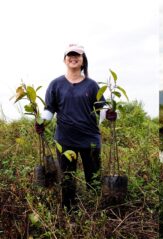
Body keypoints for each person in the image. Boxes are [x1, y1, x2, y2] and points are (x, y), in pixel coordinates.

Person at [38, 44, 106, 212]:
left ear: (83, 61)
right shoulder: (56, 84)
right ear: (65, 59)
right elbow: (49, 109)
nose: (73, 58)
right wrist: (41, 122)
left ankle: (95, 211)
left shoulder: (92, 85)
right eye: (70, 55)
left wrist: (109, 113)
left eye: (78, 55)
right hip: (65, 140)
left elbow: (102, 107)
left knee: (94, 178)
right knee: (67, 178)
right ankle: (69, 212)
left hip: (90, 139)